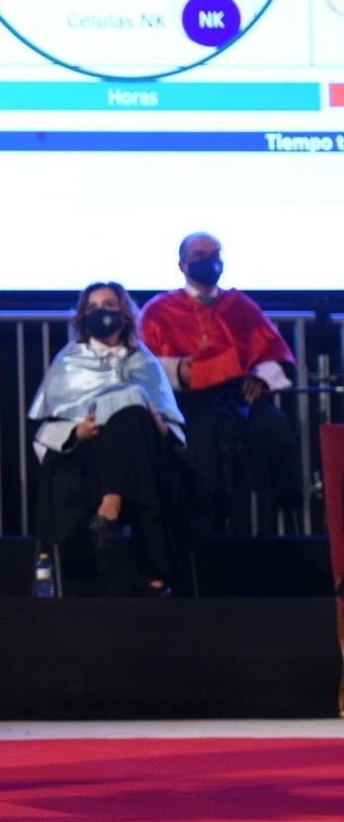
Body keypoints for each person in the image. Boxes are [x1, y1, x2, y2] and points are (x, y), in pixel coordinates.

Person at [28, 282, 187, 595]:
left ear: (124, 314)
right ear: (83, 317)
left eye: (110, 305)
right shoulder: (69, 362)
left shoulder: (146, 362)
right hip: (89, 457)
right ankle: (156, 572)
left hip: (144, 451)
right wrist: (77, 430)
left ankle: (110, 504)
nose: (102, 312)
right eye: (93, 307)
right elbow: (44, 432)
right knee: (133, 428)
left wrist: (158, 424)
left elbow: (174, 433)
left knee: (134, 415)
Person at [139, 233, 302, 534]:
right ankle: (205, 529)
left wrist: (259, 377)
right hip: (186, 400)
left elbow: (274, 354)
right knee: (205, 441)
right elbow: (144, 366)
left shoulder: (240, 305)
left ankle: (277, 523)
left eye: (214, 254)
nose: (209, 261)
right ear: (183, 264)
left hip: (237, 396)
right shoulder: (159, 309)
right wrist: (181, 372)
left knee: (273, 425)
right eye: (199, 255)